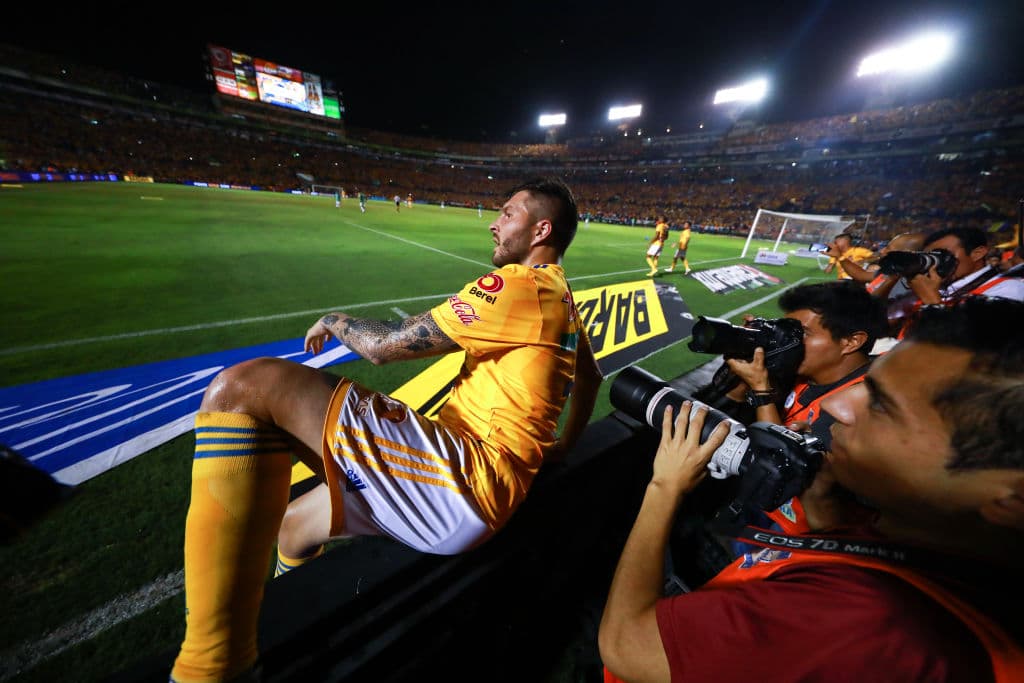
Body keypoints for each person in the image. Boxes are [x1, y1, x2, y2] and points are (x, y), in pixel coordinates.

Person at [170, 177, 603, 683]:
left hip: (465, 481)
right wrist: (562, 447)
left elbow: (384, 347)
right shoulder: (560, 293)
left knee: (245, 387)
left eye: (508, 214)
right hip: (482, 482)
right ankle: (300, 625)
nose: (494, 222)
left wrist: (334, 319)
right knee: (293, 527)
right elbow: (591, 376)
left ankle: (209, 668)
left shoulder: (518, 286)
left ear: (541, 230)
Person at [599, 296, 1024, 683]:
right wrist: (822, 517)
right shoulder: (934, 559)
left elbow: (626, 645)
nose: (838, 406)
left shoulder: (869, 625)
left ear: (1012, 498)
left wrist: (665, 486)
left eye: (881, 405)